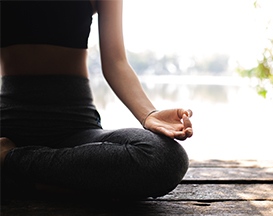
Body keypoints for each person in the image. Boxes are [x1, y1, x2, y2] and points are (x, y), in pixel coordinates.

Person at [0, 0, 193, 199]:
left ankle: (10, 162)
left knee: (165, 158)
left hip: (75, 129)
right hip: (8, 126)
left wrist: (148, 114)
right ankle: (53, 180)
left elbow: (116, 62)